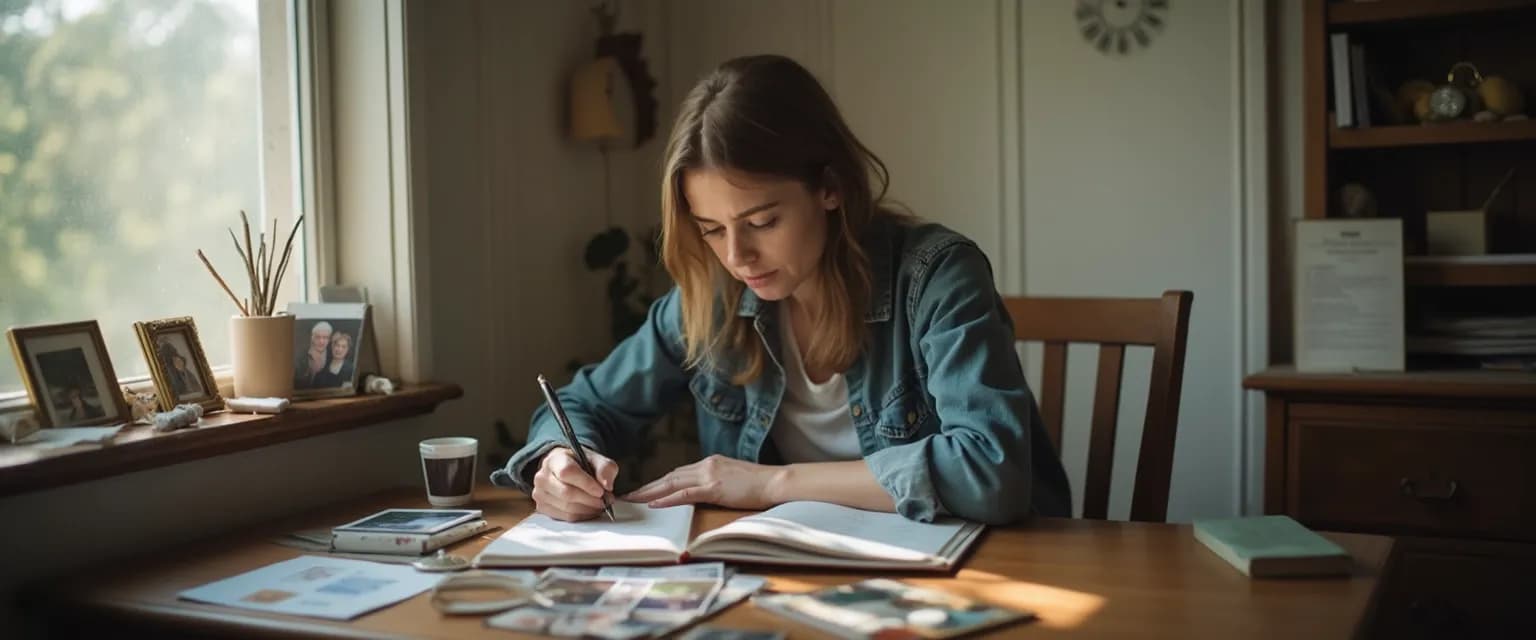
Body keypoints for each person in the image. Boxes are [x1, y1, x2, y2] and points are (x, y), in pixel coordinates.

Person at [490, 54, 1070, 525]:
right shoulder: (713, 300)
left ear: (831, 188)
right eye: (713, 229)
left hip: (982, 571)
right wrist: (559, 460)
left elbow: (991, 471)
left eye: (763, 222)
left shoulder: (938, 277)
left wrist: (772, 483)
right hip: (792, 578)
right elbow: (585, 404)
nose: (737, 257)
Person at [294, 321, 332, 389]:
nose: (321, 341)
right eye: (318, 337)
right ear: (312, 338)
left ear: (329, 340)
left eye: (325, 337)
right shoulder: (301, 357)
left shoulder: (332, 357)